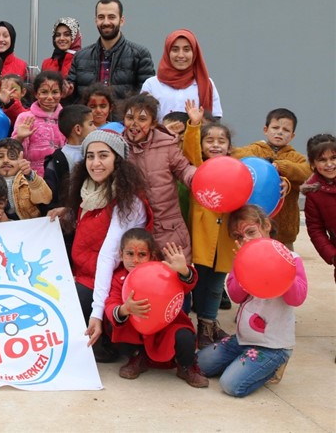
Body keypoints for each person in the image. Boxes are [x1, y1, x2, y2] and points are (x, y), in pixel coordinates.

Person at [51, 129, 150, 363]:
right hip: (84, 274)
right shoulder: (89, 191)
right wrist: (69, 212)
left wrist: (96, 313)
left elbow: (108, 256)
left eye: (103, 156)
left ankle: (104, 334)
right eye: (90, 156)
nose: (95, 163)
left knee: (61, 309)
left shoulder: (129, 202)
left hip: (109, 282)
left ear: (118, 160)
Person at [197, 205, 308, 397]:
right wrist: (243, 265)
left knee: (230, 385)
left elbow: (297, 298)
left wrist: (279, 268)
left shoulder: (290, 258)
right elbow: (235, 296)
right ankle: (245, 362)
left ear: (265, 226)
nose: (245, 240)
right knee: (199, 364)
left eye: (250, 232)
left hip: (273, 346)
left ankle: (272, 367)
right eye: (238, 236)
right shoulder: (241, 260)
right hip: (243, 340)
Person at [103, 231, 208, 387]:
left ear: (151, 255)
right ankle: (138, 357)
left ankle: (185, 366)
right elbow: (111, 302)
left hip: (166, 327)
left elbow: (187, 286)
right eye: (130, 254)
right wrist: (125, 309)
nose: (135, 260)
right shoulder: (119, 278)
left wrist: (183, 271)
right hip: (137, 329)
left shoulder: (163, 271)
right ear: (121, 254)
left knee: (185, 336)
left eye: (142, 254)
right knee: (113, 322)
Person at [179, 101, 236, 347]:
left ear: (229, 146)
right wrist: (193, 124)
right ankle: (191, 326)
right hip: (201, 235)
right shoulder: (198, 167)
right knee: (196, 282)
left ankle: (208, 325)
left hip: (225, 235)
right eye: (209, 140)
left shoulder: (236, 169)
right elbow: (189, 148)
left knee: (215, 285)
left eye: (221, 141)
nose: (215, 144)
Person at [122, 94, 196, 260]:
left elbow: (184, 169)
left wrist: (197, 177)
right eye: (129, 117)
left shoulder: (167, 144)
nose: (134, 124)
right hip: (136, 231)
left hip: (170, 230)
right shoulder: (118, 147)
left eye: (142, 119)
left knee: (176, 279)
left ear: (153, 123)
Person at [231, 108, 311, 249]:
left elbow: (306, 171)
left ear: (292, 136)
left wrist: (282, 169)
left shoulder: (295, 157)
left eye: (286, 130)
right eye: (275, 127)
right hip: (252, 228)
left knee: (285, 264)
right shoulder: (255, 149)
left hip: (284, 231)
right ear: (265, 130)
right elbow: (236, 154)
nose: (279, 132)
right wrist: (263, 164)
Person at [67, 0, 155, 100]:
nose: (106, 22)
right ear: (95, 20)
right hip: (88, 116)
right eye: (101, 17)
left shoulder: (140, 55)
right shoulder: (80, 57)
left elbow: (146, 100)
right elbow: (70, 99)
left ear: (122, 21)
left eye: (111, 17)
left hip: (122, 116)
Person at [141, 29, 222, 121]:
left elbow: (214, 121)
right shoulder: (151, 84)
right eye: (175, 50)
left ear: (194, 53)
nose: (181, 55)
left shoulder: (206, 84)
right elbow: (143, 119)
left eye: (186, 50)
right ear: (168, 52)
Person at [42, 104, 95, 213]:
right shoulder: (56, 161)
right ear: (78, 129)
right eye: (91, 124)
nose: (95, 128)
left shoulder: (96, 152)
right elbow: (51, 195)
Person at [14, 71, 65, 176]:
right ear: (36, 94)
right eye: (44, 92)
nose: (50, 97)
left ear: (61, 93)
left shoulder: (66, 118)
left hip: (60, 177)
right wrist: (19, 138)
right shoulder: (25, 118)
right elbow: (13, 152)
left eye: (55, 92)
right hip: (31, 177)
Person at [304, 134, 336, 284]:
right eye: (323, 160)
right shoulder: (313, 192)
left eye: (333, 158)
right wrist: (332, 255)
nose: (329, 164)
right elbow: (316, 229)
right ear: (313, 164)